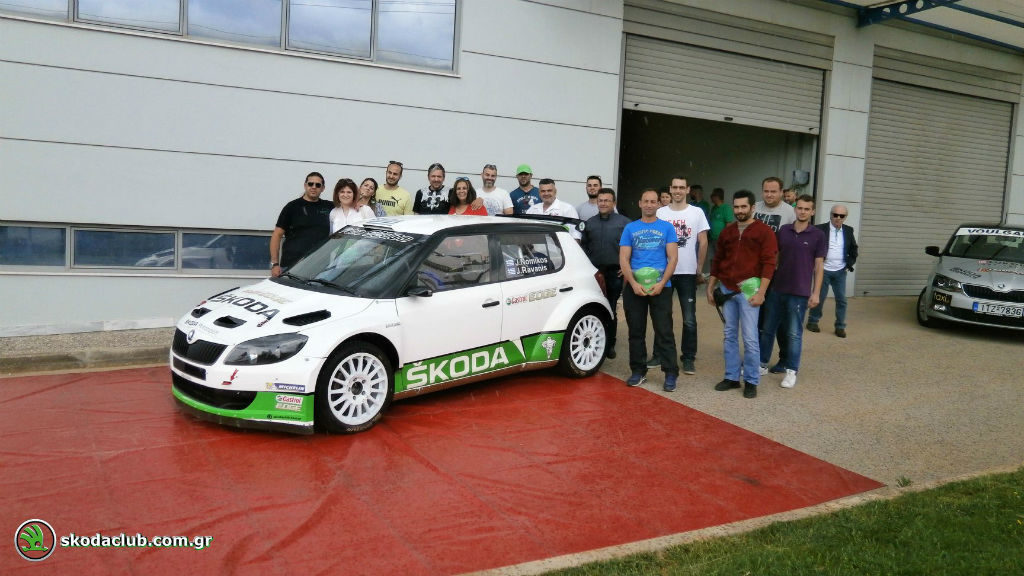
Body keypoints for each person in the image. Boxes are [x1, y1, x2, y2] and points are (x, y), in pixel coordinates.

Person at [707, 189, 777, 399]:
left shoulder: (764, 232)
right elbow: (718, 260)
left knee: (750, 337)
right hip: (727, 289)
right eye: (736, 207)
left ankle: (751, 380)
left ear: (753, 207)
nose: (739, 210)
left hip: (749, 291)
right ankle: (731, 377)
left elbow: (769, 264)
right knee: (729, 334)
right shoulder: (727, 232)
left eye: (743, 206)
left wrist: (762, 292)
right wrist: (711, 286)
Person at [758, 195, 825, 389]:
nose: (802, 212)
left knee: (794, 334)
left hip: (799, 292)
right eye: (800, 208)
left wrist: (816, 293)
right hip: (777, 288)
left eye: (807, 209)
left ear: (812, 212)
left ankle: (791, 371)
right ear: (795, 209)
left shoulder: (818, 235)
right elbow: (775, 258)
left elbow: (819, 266)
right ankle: (761, 364)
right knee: (767, 329)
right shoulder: (784, 230)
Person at [619, 189, 679, 392]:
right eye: (646, 201)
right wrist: (633, 283)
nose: (649, 205)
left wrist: (662, 284)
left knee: (664, 332)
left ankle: (670, 373)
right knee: (636, 332)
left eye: (653, 201)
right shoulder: (630, 228)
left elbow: (673, 258)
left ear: (658, 204)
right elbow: (624, 258)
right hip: (635, 289)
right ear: (640, 203)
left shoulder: (667, 228)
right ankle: (638, 371)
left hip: (661, 288)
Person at [655, 176, 709, 376]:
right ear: (670, 189)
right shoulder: (660, 212)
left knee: (689, 318)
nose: (678, 191)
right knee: (662, 316)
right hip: (664, 272)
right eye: (675, 187)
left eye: (681, 187)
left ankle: (688, 357)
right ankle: (659, 354)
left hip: (687, 272)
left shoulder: (697, 212)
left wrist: (699, 268)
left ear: (687, 190)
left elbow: (703, 241)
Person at [580, 188, 631, 359]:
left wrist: (627, 265)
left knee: (610, 308)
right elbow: (584, 247)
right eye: (600, 200)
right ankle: (594, 341)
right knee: (593, 308)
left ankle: (609, 344)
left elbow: (633, 247)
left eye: (607, 200)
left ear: (613, 203)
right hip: (594, 273)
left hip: (614, 273)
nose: (603, 203)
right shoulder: (590, 223)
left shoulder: (625, 223)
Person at [754, 176, 796, 373]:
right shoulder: (754, 208)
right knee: (756, 318)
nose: (769, 195)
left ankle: (785, 359)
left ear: (781, 192)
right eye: (766, 191)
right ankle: (757, 357)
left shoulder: (790, 213)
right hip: (755, 273)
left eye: (773, 191)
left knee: (778, 320)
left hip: (778, 275)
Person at [807, 204, 858, 338]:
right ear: (830, 215)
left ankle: (840, 326)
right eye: (835, 215)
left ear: (845, 217)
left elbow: (854, 249)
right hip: (823, 270)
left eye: (841, 216)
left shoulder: (848, 230)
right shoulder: (819, 229)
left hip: (840, 271)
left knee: (842, 300)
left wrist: (848, 264)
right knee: (819, 297)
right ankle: (813, 321)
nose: (838, 218)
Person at [270, 171, 333, 277]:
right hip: (292, 267)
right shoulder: (291, 207)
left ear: (323, 188)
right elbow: (277, 235)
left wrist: (359, 204)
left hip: (319, 268)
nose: (314, 187)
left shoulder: (329, 207)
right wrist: (275, 264)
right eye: (310, 184)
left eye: (318, 185)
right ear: (305, 185)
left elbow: (348, 204)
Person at [707, 187, 733, 272]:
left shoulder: (726, 208)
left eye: (712, 196)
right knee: (712, 258)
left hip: (721, 240)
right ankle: (713, 275)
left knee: (722, 258)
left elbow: (729, 224)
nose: (711, 198)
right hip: (712, 239)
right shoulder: (713, 208)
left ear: (717, 197)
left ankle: (722, 276)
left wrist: (725, 238)